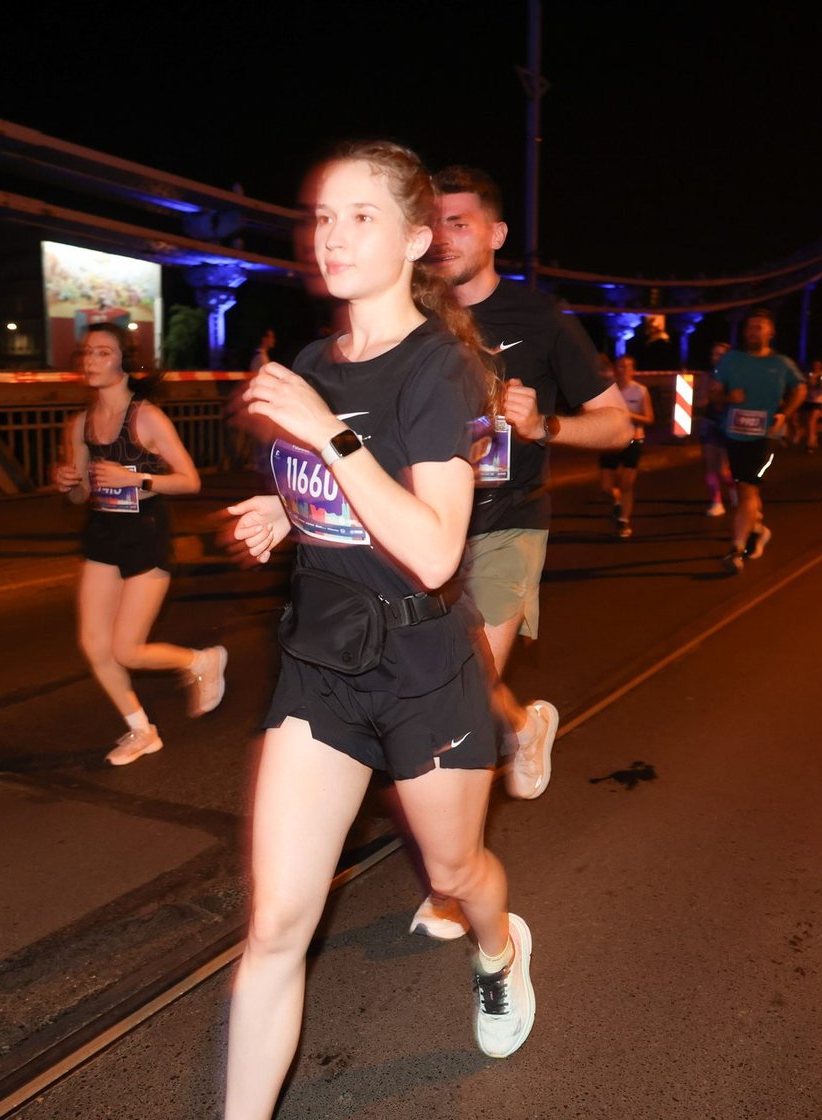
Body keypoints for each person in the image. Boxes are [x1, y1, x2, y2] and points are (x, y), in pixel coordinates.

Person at [222, 141, 535, 1118]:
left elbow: (436, 550)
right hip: (321, 661)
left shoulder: (441, 370)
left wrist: (327, 433)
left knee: (455, 872)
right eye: (324, 215)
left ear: (412, 240)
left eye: (362, 217)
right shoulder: (315, 364)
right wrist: (286, 509)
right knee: (275, 924)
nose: (334, 235)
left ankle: (499, 948)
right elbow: (341, 494)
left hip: (421, 667)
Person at [424, 164, 631, 809]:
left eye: (459, 224)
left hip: (506, 519)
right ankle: (521, 724)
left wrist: (544, 426)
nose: (442, 237)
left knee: (458, 684)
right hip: (421, 522)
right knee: (431, 678)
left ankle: (454, 866)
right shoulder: (409, 316)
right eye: (432, 223)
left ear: (497, 235)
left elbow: (618, 425)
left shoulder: (541, 317)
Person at [53, 323, 227, 766]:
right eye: (87, 353)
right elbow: (80, 495)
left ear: (124, 362)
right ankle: (141, 730)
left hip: (146, 533)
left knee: (127, 649)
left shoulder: (146, 417)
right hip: (101, 533)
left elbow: (190, 480)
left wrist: (138, 479)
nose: (91, 360)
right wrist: (68, 482)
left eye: (103, 353)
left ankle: (200, 661)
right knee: (94, 645)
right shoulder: (80, 424)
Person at [711, 308, 805, 572]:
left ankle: (737, 549)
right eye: (749, 327)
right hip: (734, 433)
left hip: (766, 435)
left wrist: (785, 414)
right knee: (745, 489)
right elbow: (713, 393)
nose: (753, 331)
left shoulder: (781, 363)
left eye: (759, 327)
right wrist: (728, 398)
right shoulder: (731, 360)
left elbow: (800, 388)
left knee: (747, 488)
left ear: (770, 332)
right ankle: (758, 530)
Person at [599, 353, 655, 538]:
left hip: (633, 440)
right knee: (606, 486)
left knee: (627, 484)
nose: (623, 370)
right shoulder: (607, 390)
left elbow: (649, 418)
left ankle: (623, 521)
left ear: (633, 370)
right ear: (615, 369)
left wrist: (628, 414)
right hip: (610, 441)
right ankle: (616, 500)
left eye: (627, 366)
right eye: (620, 366)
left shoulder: (640, 391)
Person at [699, 340, 736, 517]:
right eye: (714, 354)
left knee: (723, 469)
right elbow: (700, 402)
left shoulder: (735, 377)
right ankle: (716, 501)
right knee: (710, 465)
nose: (716, 358)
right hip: (710, 423)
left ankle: (733, 490)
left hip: (728, 424)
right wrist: (707, 391)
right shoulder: (707, 377)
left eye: (721, 354)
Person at [796, 358, 822, 452]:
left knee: (811, 422)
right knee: (806, 422)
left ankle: (810, 444)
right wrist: (809, 382)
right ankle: (813, 439)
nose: (816, 365)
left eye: (818, 363)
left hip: (818, 401)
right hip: (808, 400)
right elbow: (803, 385)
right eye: (815, 363)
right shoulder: (808, 374)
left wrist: (821, 383)